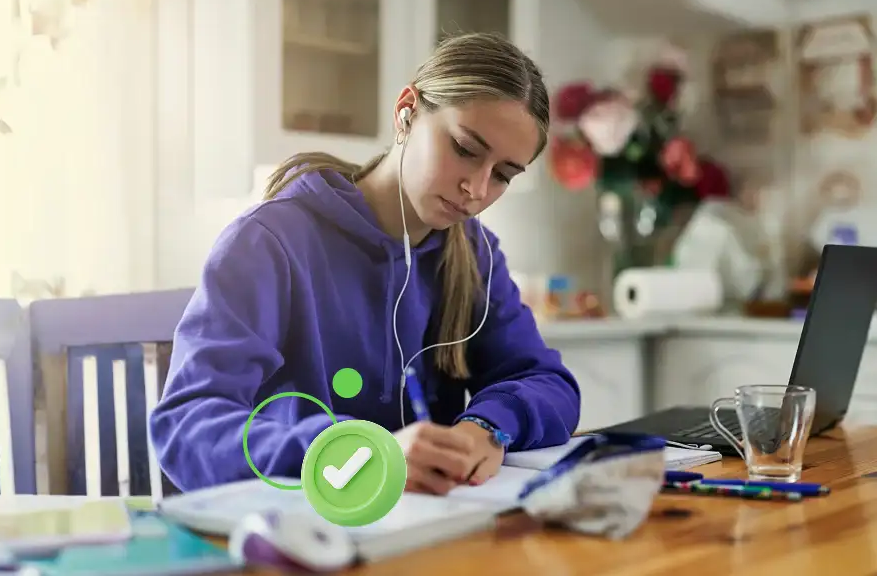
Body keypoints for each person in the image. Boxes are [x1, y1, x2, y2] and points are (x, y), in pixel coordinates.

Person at [150, 32, 581, 496]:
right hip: (297, 532)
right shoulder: (269, 242)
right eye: (464, 149)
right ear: (407, 111)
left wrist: (486, 426)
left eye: (502, 175)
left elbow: (547, 382)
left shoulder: (475, 254)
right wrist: (355, 453)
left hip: (425, 530)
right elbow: (187, 424)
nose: (476, 189)